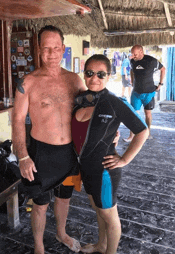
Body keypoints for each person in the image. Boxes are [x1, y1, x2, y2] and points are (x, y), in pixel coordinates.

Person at [12, 25, 86, 254]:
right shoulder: (28, 83)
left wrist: (110, 131)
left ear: (63, 49)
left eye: (56, 48)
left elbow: (93, 109)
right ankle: (39, 247)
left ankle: (61, 233)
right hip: (41, 154)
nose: (51, 54)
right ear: (38, 49)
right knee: (40, 206)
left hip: (69, 153)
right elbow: (16, 122)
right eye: (46, 48)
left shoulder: (75, 80)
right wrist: (23, 156)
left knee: (64, 199)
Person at [71, 54, 148, 254]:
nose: (94, 78)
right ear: (84, 74)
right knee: (99, 210)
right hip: (85, 168)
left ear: (109, 76)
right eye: (89, 73)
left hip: (105, 170)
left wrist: (124, 159)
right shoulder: (80, 101)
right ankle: (101, 244)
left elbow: (142, 130)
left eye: (100, 74)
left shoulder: (115, 102)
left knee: (109, 216)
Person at [124, 45, 166, 142]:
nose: (133, 56)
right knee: (133, 114)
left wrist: (160, 84)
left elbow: (163, 69)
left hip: (149, 93)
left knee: (148, 114)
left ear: (141, 52)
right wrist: (132, 80)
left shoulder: (151, 61)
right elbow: (131, 70)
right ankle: (131, 135)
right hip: (136, 92)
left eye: (135, 54)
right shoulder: (132, 61)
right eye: (132, 54)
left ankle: (148, 132)